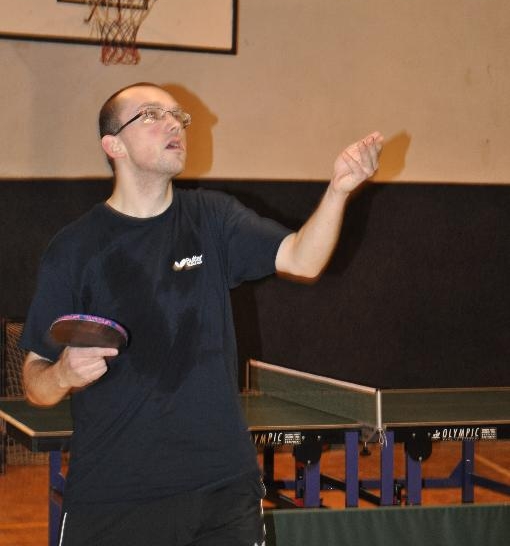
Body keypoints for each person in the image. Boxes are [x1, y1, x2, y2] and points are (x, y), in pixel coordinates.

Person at [21, 82, 383, 546]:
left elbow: (302, 259)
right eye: (152, 115)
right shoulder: (74, 248)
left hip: (222, 492)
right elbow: (34, 382)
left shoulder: (212, 217)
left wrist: (338, 190)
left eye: (178, 116)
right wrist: (63, 375)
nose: (174, 123)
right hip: (113, 496)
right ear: (114, 146)